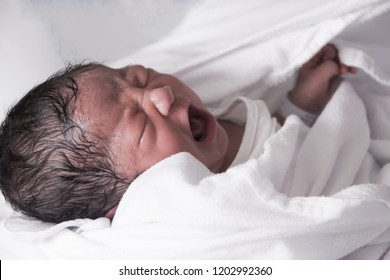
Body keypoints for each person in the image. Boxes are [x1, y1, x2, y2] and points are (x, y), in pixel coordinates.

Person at [0, 44, 357, 223]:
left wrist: (302, 105)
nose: (162, 95)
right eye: (141, 125)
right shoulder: (219, 210)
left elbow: (280, 143)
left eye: (140, 77)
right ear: (129, 201)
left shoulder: (208, 124)